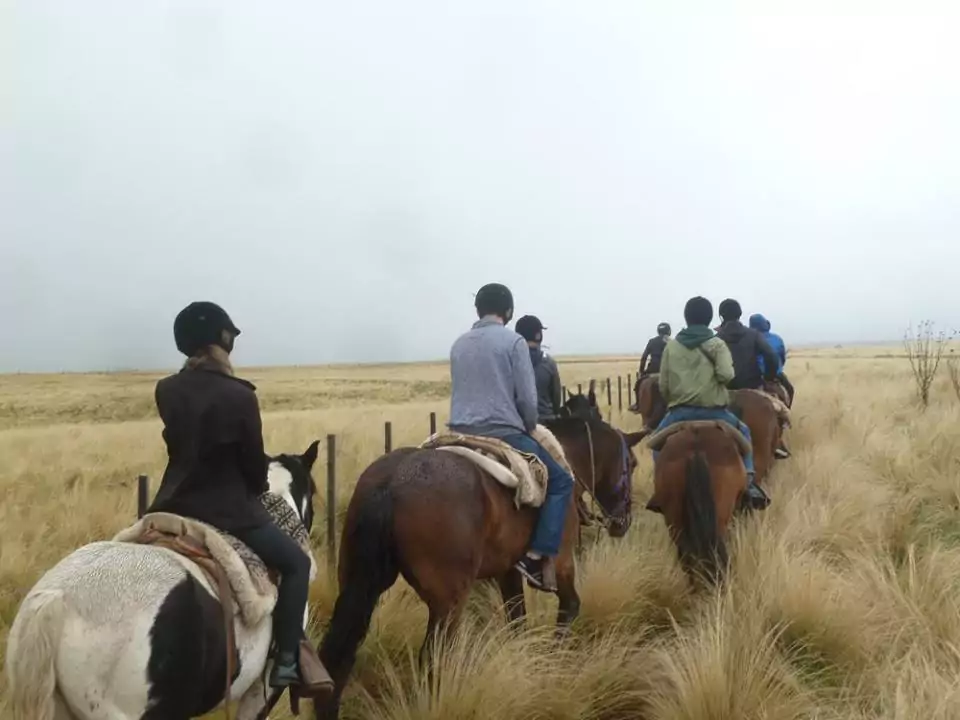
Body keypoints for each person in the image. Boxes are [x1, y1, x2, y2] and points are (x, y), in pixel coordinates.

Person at [147, 301, 320, 690]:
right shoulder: (240, 395)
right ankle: (289, 661)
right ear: (221, 341)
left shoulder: (166, 389)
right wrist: (257, 485)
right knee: (295, 565)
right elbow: (253, 471)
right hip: (228, 511)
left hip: (172, 504)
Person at [448, 284, 575, 591]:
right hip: (504, 432)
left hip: (457, 434)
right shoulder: (513, 342)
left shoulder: (459, 343)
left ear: (478, 310)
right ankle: (537, 556)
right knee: (561, 481)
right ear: (508, 311)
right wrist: (529, 425)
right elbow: (528, 402)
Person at [654, 296, 770, 510]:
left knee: (656, 445)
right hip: (715, 413)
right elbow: (727, 375)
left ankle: (661, 489)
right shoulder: (717, 344)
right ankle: (749, 485)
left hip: (679, 413)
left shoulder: (672, 347)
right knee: (744, 433)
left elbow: (663, 384)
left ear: (686, 318)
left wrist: (677, 398)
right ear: (709, 319)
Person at [716, 299, 780, 391]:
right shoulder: (754, 335)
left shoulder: (716, 339)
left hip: (725, 390)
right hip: (753, 387)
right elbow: (771, 355)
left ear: (721, 316)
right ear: (740, 314)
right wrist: (769, 378)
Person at [515, 314, 563, 421]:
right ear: (538, 335)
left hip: (518, 423)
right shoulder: (548, 363)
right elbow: (556, 398)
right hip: (547, 422)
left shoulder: (511, 361)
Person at [749, 313, 794, 405]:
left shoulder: (749, 339)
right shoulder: (777, 339)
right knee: (790, 390)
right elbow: (782, 359)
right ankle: (786, 413)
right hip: (775, 376)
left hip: (754, 377)